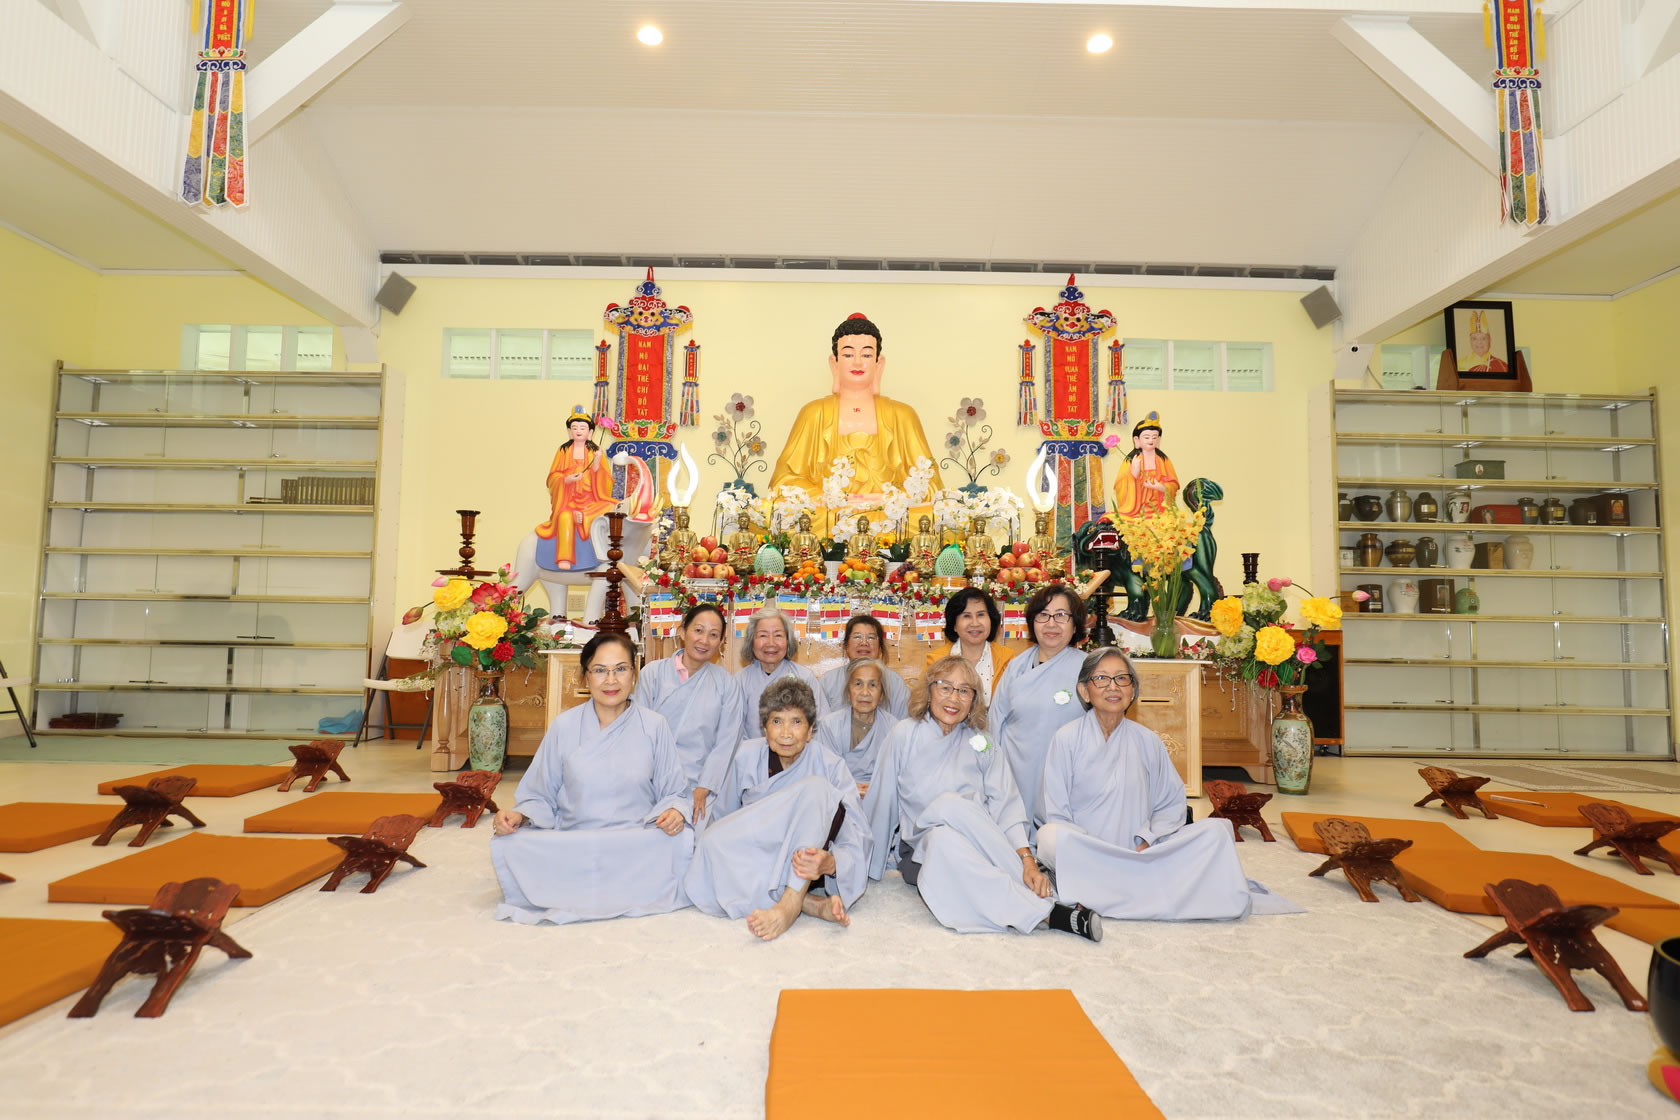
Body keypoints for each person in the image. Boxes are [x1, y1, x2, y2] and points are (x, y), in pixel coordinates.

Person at [863, 657, 1100, 940]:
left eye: (964, 691)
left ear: (974, 700)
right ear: (929, 691)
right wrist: (867, 866)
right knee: (947, 816)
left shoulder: (982, 741)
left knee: (950, 825)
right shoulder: (904, 734)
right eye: (945, 687)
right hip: (919, 849)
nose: (954, 699)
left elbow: (1005, 804)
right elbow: (882, 802)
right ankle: (1051, 908)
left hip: (981, 845)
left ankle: (1049, 912)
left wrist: (1027, 860)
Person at [489, 632, 692, 925]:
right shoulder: (564, 726)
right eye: (600, 670)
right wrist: (520, 816)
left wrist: (674, 812)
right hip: (575, 840)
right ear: (585, 677)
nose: (611, 680)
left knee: (682, 839)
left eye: (620, 669)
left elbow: (674, 791)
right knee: (511, 841)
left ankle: (586, 884)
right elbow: (539, 793)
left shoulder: (654, 725)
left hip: (633, 841)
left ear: (634, 674)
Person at [1037, 648, 1252, 921]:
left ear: (1132, 691)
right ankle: (1143, 889)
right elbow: (1056, 812)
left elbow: (1171, 804)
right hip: (1092, 856)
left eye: (1122, 678)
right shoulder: (1066, 739)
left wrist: (1149, 838)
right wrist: (1093, 848)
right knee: (1049, 838)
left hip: (1140, 853)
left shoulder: (1148, 740)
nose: (1113, 687)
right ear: (1084, 691)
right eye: (1101, 678)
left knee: (1217, 831)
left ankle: (1107, 892)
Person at [685, 678, 871, 940]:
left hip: (805, 861)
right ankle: (809, 903)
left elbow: (858, 833)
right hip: (759, 854)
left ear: (810, 730)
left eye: (796, 722)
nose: (786, 733)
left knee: (817, 788)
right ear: (764, 728)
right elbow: (725, 819)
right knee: (710, 843)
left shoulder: (830, 765)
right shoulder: (745, 756)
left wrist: (832, 864)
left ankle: (789, 904)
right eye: (776, 721)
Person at [769, 313, 942, 503]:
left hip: (887, 513)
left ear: (878, 363)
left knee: (931, 513)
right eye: (848, 354)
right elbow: (782, 482)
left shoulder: (902, 415)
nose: (858, 362)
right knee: (778, 509)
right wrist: (831, 499)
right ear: (834, 362)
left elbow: (932, 485)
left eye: (866, 354)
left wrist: (887, 500)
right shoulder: (814, 414)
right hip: (830, 512)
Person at [988, 585, 1089, 834]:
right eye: (1043, 615)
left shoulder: (1089, 668)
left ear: (1075, 624)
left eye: (1061, 615)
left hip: (1067, 775)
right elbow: (995, 721)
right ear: (1032, 622)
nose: (1051, 624)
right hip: (1016, 773)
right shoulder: (1016, 666)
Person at [633, 602, 744, 821]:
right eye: (698, 630)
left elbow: (727, 742)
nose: (704, 641)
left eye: (714, 635)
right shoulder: (653, 674)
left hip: (700, 784)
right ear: (683, 631)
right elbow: (638, 732)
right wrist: (645, 779)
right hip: (651, 778)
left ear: (722, 641)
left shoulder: (727, 684)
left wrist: (704, 788)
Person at [719, 606, 830, 750]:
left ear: (788, 641)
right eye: (763, 635)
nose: (771, 643)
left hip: (799, 756)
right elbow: (733, 731)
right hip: (751, 757)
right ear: (752, 642)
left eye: (778, 635)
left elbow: (822, 727)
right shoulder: (740, 680)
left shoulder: (804, 677)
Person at [533, 407, 619, 570]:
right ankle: (564, 557)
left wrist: (597, 461)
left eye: (582, 428)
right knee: (565, 517)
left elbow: (605, 480)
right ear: (569, 432)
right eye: (574, 428)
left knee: (612, 507)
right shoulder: (563, 451)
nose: (578, 431)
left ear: (590, 432)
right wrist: (566, 479)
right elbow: (552, 478)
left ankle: (584, 516)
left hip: (591, 502)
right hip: (569, 502)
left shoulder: (595, 451)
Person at [814, 658, 901, 796]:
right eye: (858, 684)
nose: (865, 692)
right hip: (838, 794)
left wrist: (876, 788)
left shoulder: (894, 728)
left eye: (872, 685)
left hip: (880, 794)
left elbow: (898, 774)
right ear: (848, 692)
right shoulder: (829, 725)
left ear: (881, 695)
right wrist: (851, 788)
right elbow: (823, 770)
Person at [924, 587, 1017, 698]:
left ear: (991, 620)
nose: (975, 623)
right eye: (966, 616)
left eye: (981, 615)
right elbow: (922, 701)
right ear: (954, 625)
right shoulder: (936, 661)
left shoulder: (1008, 660)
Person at [820, 615, 909, 717]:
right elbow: (821, 724)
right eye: (857, 637)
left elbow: (904, 722)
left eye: (871, 638)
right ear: (846, 645)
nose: (864, 643)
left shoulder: (895, 682)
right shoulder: (827, 681)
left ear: (880, 647)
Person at [1110, 411, 1180, 520]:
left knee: (1171, 521)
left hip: (1160, 510)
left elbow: (1174, 485)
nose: (1151, 440)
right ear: (1137, 440)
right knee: (1117, 519)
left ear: (1159, 439)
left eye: (1154, 437)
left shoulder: (1163, 460)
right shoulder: (1131, 461)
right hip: (1137, 511)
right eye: (1147, 437)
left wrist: (1162, 487)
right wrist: (1133, 475)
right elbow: (1120, 485)